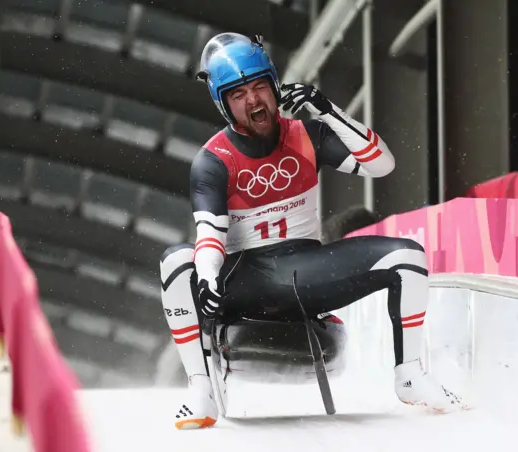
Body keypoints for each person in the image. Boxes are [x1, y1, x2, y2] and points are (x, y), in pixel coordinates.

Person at [160, 33, 465, 430]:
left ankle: (409, 375)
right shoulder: (212, 161)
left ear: (275, 86)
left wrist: (329, 112)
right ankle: (199, 389)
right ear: (223, 103)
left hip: (306, 271)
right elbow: (210, 236)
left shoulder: (308, 135)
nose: (253, 101)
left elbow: (382, 165)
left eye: (259, 87)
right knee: (178, 262)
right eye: (238, 94)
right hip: (245, 277)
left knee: (408, 257)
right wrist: (206, 277)